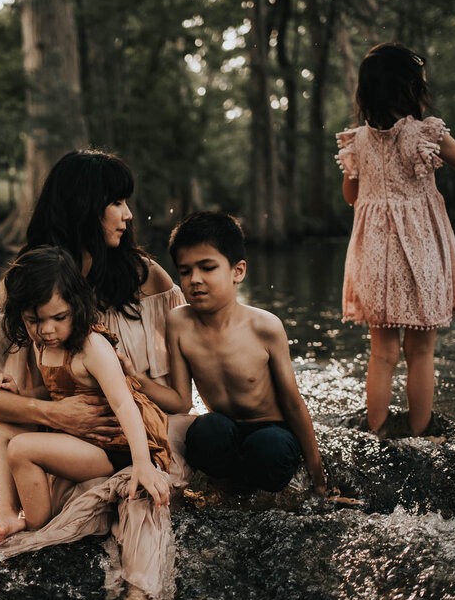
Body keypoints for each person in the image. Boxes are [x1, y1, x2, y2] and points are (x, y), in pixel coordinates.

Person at [0, 149, 183, 445]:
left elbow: (185, 382)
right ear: (85, 208)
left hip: (143, 430)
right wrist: (53, 413)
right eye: (116, 202)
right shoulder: (24, 281)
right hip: (65, 440)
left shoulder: (147, 278)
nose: (128, 214)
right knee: (8, 431)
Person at [335, 43, 455, 436]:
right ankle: (419, 434)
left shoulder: (356, 141)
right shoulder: (426, 134)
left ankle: (374, 431)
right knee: (420, 351)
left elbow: (351, 197)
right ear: (410, 87)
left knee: (382, 354)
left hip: (373, 257)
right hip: (419, 253)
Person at [123, 211, 327, 495]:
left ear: (237, 271)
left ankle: (271, 487)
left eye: (207, 268)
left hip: (272, 431)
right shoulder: (179, 322)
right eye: (185, 271)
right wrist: (133, 378)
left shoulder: (264, 327)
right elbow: (181, 402)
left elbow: (293, 404)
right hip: (226, 430)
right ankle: (227, 488)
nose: (194, 279)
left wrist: (319, 478)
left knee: (267, 448)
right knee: (205, 431)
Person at [0, 246, 171, 544]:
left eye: (58, 317)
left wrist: (142, 463)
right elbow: (55, 390)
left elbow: (124, 402)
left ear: (76, 305)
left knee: (21, 448)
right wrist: (19, 392)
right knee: (4, 430)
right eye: (34, 321)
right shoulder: (44, 343)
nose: (46, 329)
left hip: (112, 446)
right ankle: (6, 512)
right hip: (77, 436)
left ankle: (36, 523)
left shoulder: (91, 347)